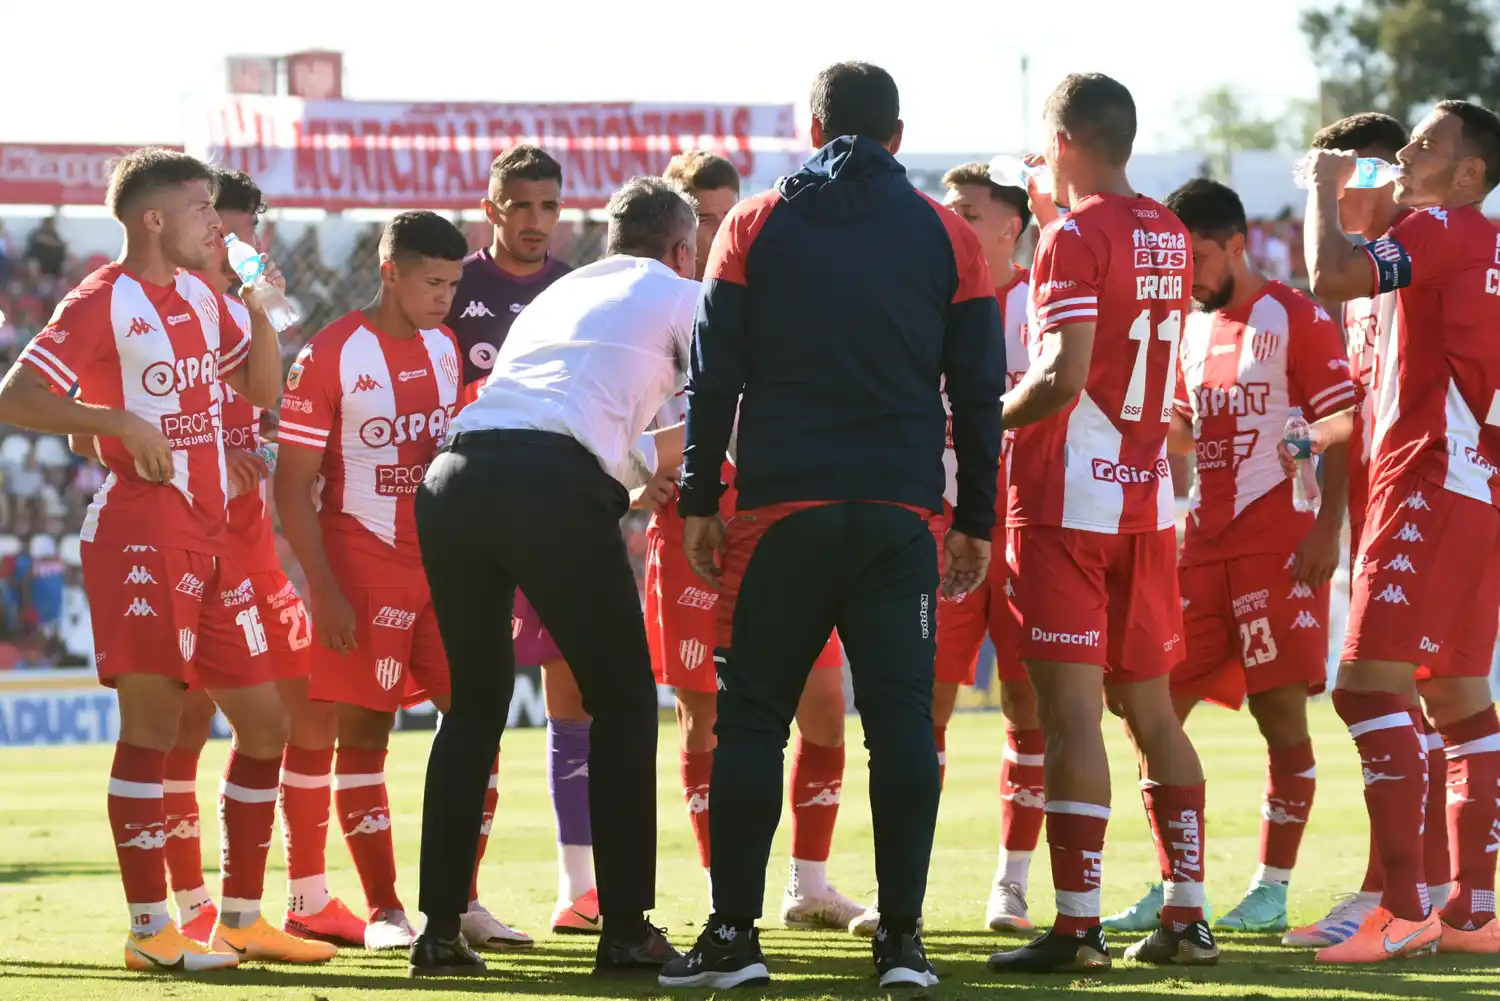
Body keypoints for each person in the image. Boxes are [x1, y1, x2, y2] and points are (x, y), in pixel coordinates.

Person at [658, 61, 1004, 991]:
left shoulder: (752, 221)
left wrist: (699, 499)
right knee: (900, 729)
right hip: (899, 516)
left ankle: (734, 937)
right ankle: (902, 942)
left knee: (750, 725)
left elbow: (712, 376)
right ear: (897, 134)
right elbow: (977, 390)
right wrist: (976, 515)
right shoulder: (948, 233)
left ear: (814, 129)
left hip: (779, 513)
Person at [0, 147, 294, 971]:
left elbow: (264, 392)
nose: (217, 220)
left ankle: (238, 916)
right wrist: (118, 422)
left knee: (267, 720)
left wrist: (262, 308)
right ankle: (149, 930)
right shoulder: (100, 299)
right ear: (154, 218)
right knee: (154, 727)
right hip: (140, 530)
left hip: (214, 534)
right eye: (202, 207)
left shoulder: (204, 295)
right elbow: (16, 396)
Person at [410, 176, 699, 978]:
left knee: (472, 709)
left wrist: (631, 475)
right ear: (682, 248)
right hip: (549, 477)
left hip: (456, 474)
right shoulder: (680, 292)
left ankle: (437, 931)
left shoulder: (564, 294)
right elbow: (727, 394)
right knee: (626, 698)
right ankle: (627, 927)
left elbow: (579, 397)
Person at [987, 73, 1218, 973]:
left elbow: (1062, 375)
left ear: (1065, 137)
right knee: (1152, 712)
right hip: (1146, 498)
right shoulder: (1164, 224)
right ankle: (1186, 914)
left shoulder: (1073, 238)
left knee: (1071, 715)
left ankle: (1077, 927)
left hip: (1067, 501)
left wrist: (980, 414)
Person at [103, 170, 364, 950]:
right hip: (175, 541)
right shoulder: (146, 306)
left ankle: (299, 897)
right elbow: (98, 431)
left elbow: (261, 396)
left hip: (245, 550)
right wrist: (212, 443)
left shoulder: (225, 308)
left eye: (238, 228)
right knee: (176, 726)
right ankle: (188, 909)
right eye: (214, 224)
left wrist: (262, 318)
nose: (228, 240)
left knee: (299, 716)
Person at [1104, 178, 1356, 936]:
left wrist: (1326, 532)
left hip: (1278, 546)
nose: (1188, 275)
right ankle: (1178, 883)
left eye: (1199, 257)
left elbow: (1342, 422)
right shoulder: (1189, 328)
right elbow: (1183, 430)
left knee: (1280, 715)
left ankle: (1272, 886)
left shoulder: (1295, 315)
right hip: (1197, 546)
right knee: (1145, 708)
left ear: (1237, 243)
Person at [275, 211, 529, 952]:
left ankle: (462, 897)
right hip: (364, 566)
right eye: (432, 282)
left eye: (454, 283)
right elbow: (292, 488)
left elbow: (454, 466)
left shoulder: (447, 348)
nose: (446, 296)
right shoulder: (329, 354)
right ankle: (386, 909)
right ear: (392, 272)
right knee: (366, 733)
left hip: (445, 568)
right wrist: (322, 587)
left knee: (478, 722)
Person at [1294, 100, 1500, 963]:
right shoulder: (1470, 239)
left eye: (1429, 145)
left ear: (1468, 175)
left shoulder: (1449, 228)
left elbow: (1328, 274)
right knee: (1457, 699)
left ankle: (1403, 906)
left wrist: (1318, 181)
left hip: (1429, 476)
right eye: (1407, 141)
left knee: (1365, 688)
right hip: (1469, 480)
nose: (1409, 155)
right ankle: (1474, 908)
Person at [644, 149, 862, 933]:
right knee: (708, 721)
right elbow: (623, 415)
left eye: (728, 213)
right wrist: (656, 468)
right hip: (696, 529)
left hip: (786, 516)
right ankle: (719, 892)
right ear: (677, 230)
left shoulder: (776, 287)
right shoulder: (659, 304)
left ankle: (808, 883)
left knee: (827, 710)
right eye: (702, 218)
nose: (720, 229)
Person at [443, 144, 598, 937]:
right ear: (492, 207)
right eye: (522, 206)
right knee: (480, 701)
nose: (537, 222)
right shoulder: (451, 282)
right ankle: (460, 897)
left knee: (578, 694)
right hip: (471, 516)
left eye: (549, 206)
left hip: (557, 513)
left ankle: (580, 888)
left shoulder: (576, 289)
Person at [928, 161, 1043, 936]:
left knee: (1028, 710)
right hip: (940, 525)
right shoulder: (927, 302)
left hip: (1033, 527)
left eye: (966, 209)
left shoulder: (1044, 302)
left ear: (1010, 226)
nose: (952, 219)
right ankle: (901, 886)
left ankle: (1013, 883)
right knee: (917, 710)